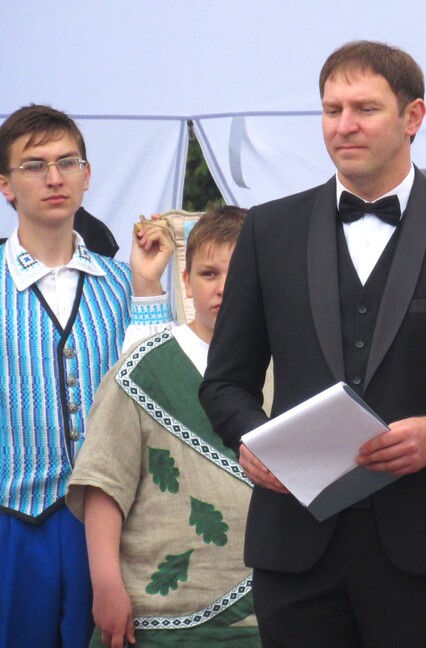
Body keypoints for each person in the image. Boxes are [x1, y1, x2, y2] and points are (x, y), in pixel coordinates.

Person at [198, 41, 426, 647]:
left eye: (365, 109)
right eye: (332, 110)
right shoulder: (269, 230)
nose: (344, 125)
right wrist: (250, 439)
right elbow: (225, 382)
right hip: (294, 541)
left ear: (413, 116)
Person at [0, 104, 173, 646]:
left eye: (67, 162)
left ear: (87, 174)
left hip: (110, 525)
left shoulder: (125, 282)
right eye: (34, 165)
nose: (54, 178)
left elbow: (153, 394)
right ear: (5, 185)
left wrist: (149, 287)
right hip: (11, 522)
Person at [66, 207, 259, 648]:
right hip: (160, 619)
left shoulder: (290, 368)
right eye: (209, 274)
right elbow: (103, 485)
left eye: (240, 274)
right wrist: (105, 586)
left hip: (270, 611)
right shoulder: (140, 370)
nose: (223, 288)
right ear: (187, 282)